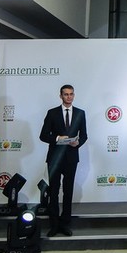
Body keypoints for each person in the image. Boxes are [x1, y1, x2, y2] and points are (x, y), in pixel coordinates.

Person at [39, 84, 87, 237]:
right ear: (60, 96)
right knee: (53, 191)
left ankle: (65, 223)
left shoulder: (80, 113)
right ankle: (54, 225)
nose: (69, 97)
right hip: (54, 158)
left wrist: (77, 143)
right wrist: (58, 138)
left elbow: (84, 135)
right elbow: (43, 135)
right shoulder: (52, 113)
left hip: (71, 157)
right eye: (66, 94)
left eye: (71, 94)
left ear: (74, 95)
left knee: (68, 190)